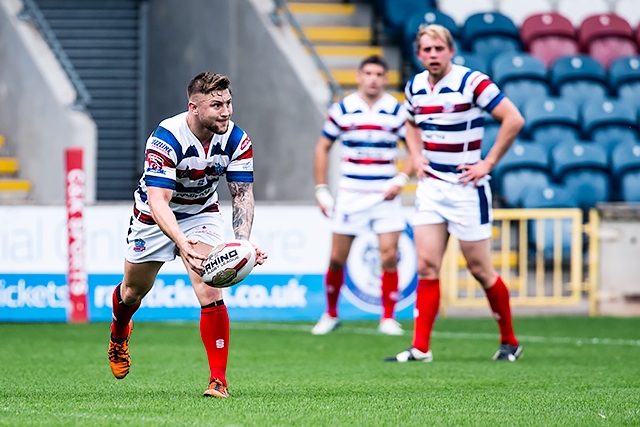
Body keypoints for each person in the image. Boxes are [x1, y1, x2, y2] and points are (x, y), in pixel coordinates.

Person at [107, 71, 268, 398]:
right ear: (194, 108)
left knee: (209, 287)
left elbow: (242, 194)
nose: (226, 112)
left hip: (200, 212)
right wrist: (182, 244)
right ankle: (119, 332)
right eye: (216, 105)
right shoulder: (167, 138)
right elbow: (158, 200)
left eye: (228, 103)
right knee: (132, 293)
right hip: (153, 216)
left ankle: (218, 381)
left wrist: (242, 242)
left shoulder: (238, 140)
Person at [385, 24, 525, 362]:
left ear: (450, 51)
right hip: (432, 186)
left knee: (480, 269)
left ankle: (510, 341)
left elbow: (513, 119)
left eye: (439, 49)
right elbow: (411, 123)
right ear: (418, 54)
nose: (433, 55)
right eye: (426, 50)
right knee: (427, 265)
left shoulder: (471, 81)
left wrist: (487, 163)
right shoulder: (416, 86)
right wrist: (416, 156)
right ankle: (421, 348)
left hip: (467, 188)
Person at [312, 55, 413, 336]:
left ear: (385, 78)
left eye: (379, 74)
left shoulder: (396, 111)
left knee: (390, 256)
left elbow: (416, 148)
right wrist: (321, 189)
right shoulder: (343, 109)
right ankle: (331, 314)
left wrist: (402, 178)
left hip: (385, 196)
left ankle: (388, 318)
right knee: (336, 258)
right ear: (358, 76)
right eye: (368, 73)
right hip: (351, 194)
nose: (373, 79)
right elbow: (323, 147)